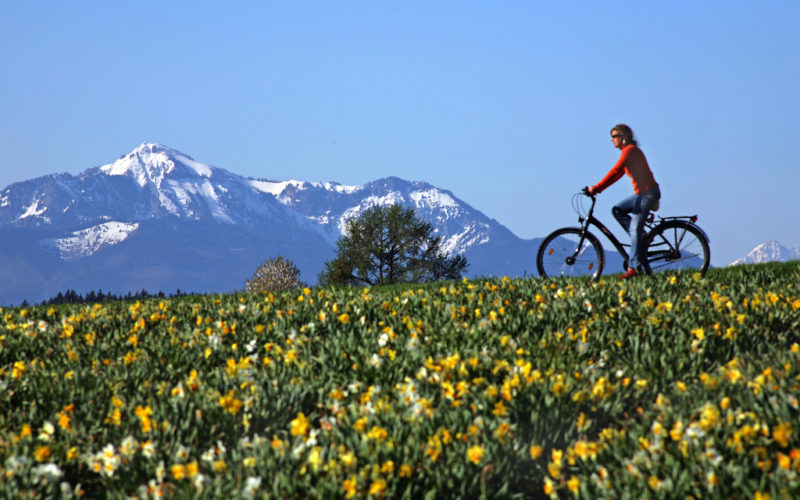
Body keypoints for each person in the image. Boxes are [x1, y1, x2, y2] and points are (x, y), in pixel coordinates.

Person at [587, 124, 661, 279]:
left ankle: (634, 267)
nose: (612, 139)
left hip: (647, 194)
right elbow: (618, 174)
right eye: (611, 136)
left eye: (615, 136)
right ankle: (641, 237)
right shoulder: (627, 152)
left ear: (624, 137)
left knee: (634, 229)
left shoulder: (630, 151)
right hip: (642, 194)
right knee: (617, 210)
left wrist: (597, 188)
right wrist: (599, 188)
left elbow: (615, 171)